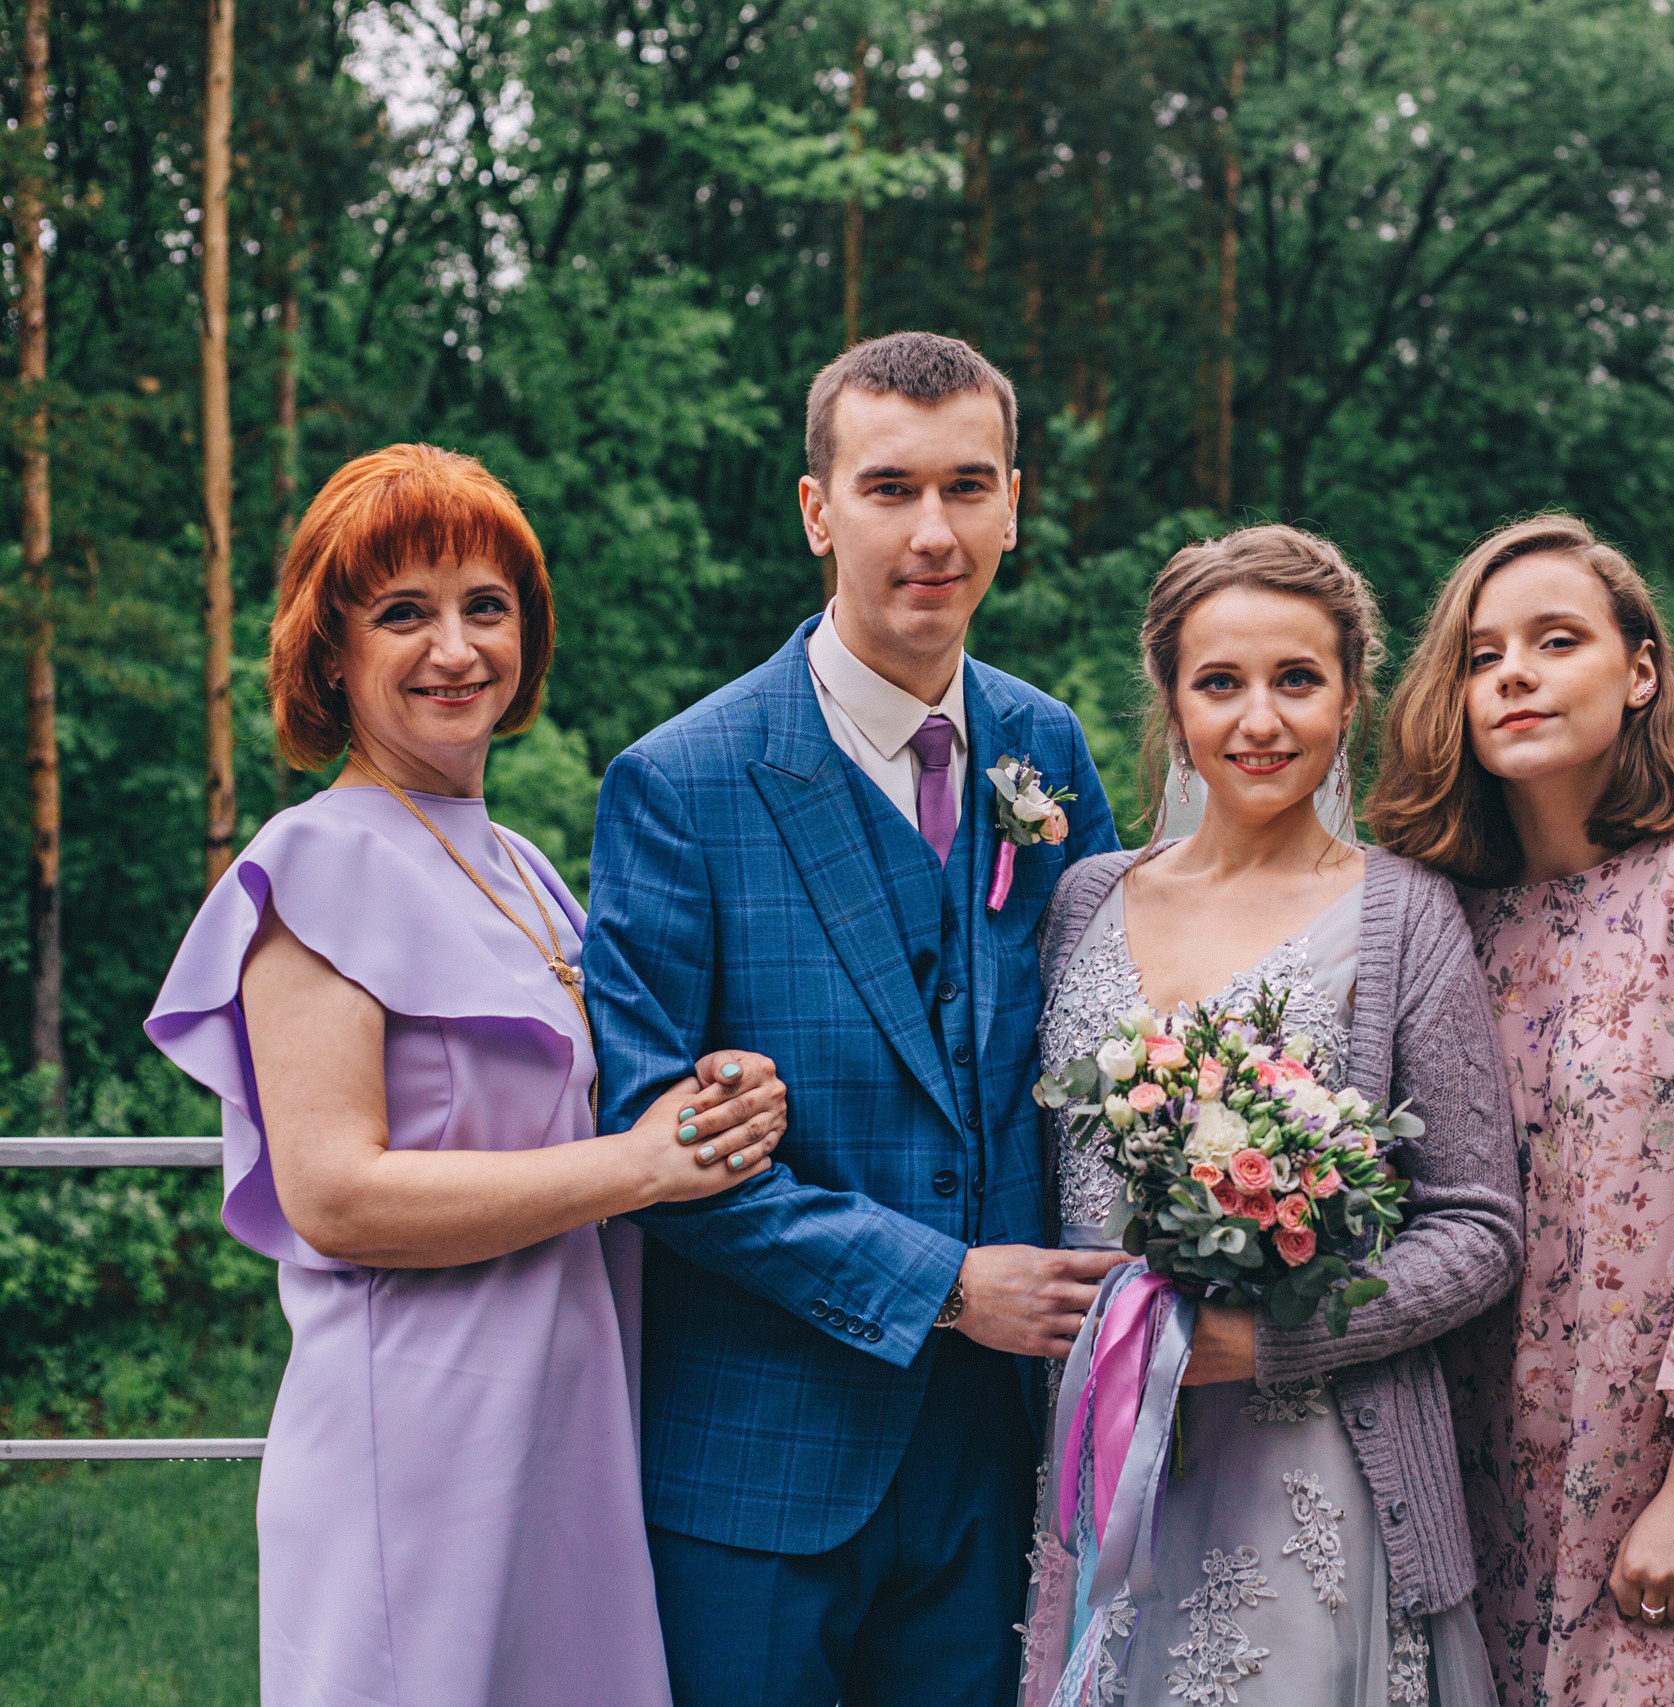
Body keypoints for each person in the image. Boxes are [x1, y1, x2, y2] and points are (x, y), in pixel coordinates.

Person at [144, 444, 787, 1707]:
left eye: (485, 607)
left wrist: (713, 1100)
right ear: (331, 651)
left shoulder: (526, 866)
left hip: (568, 1426)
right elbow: (334, 1197)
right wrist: (637, 1166)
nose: (455, 648)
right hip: (418, 1447)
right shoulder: (313, 864)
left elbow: (582, 1107)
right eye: (404, 613)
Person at [583, 332, 1123, 1707]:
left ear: (1016, 501)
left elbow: (1118, 1055)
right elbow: (646, 1146)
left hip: (1002, 1451)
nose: (932, 531)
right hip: (764, 1454)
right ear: (819, 508)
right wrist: (943, 1285)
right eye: (889, 487)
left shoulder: (1045, 750)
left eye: (968, 485)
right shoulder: (682, 779)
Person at [1020, 524, 1523, 1707]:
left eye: (1296, 681)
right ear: (1171, 699)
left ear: (1350, 697)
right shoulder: (1084, 897)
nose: (1259, 721)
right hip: (1106, 1460)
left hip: (1314, 1465)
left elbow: (1478, 1228)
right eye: (1220, 684)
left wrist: (1270, 1342)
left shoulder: (1407, 916)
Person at [1368, 514, 1674, 1707]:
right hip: (1481, 1463)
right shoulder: (1442, 917)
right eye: (1482, 656)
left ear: (1639, 672)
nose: (1515, 675)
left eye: (1556, 641)